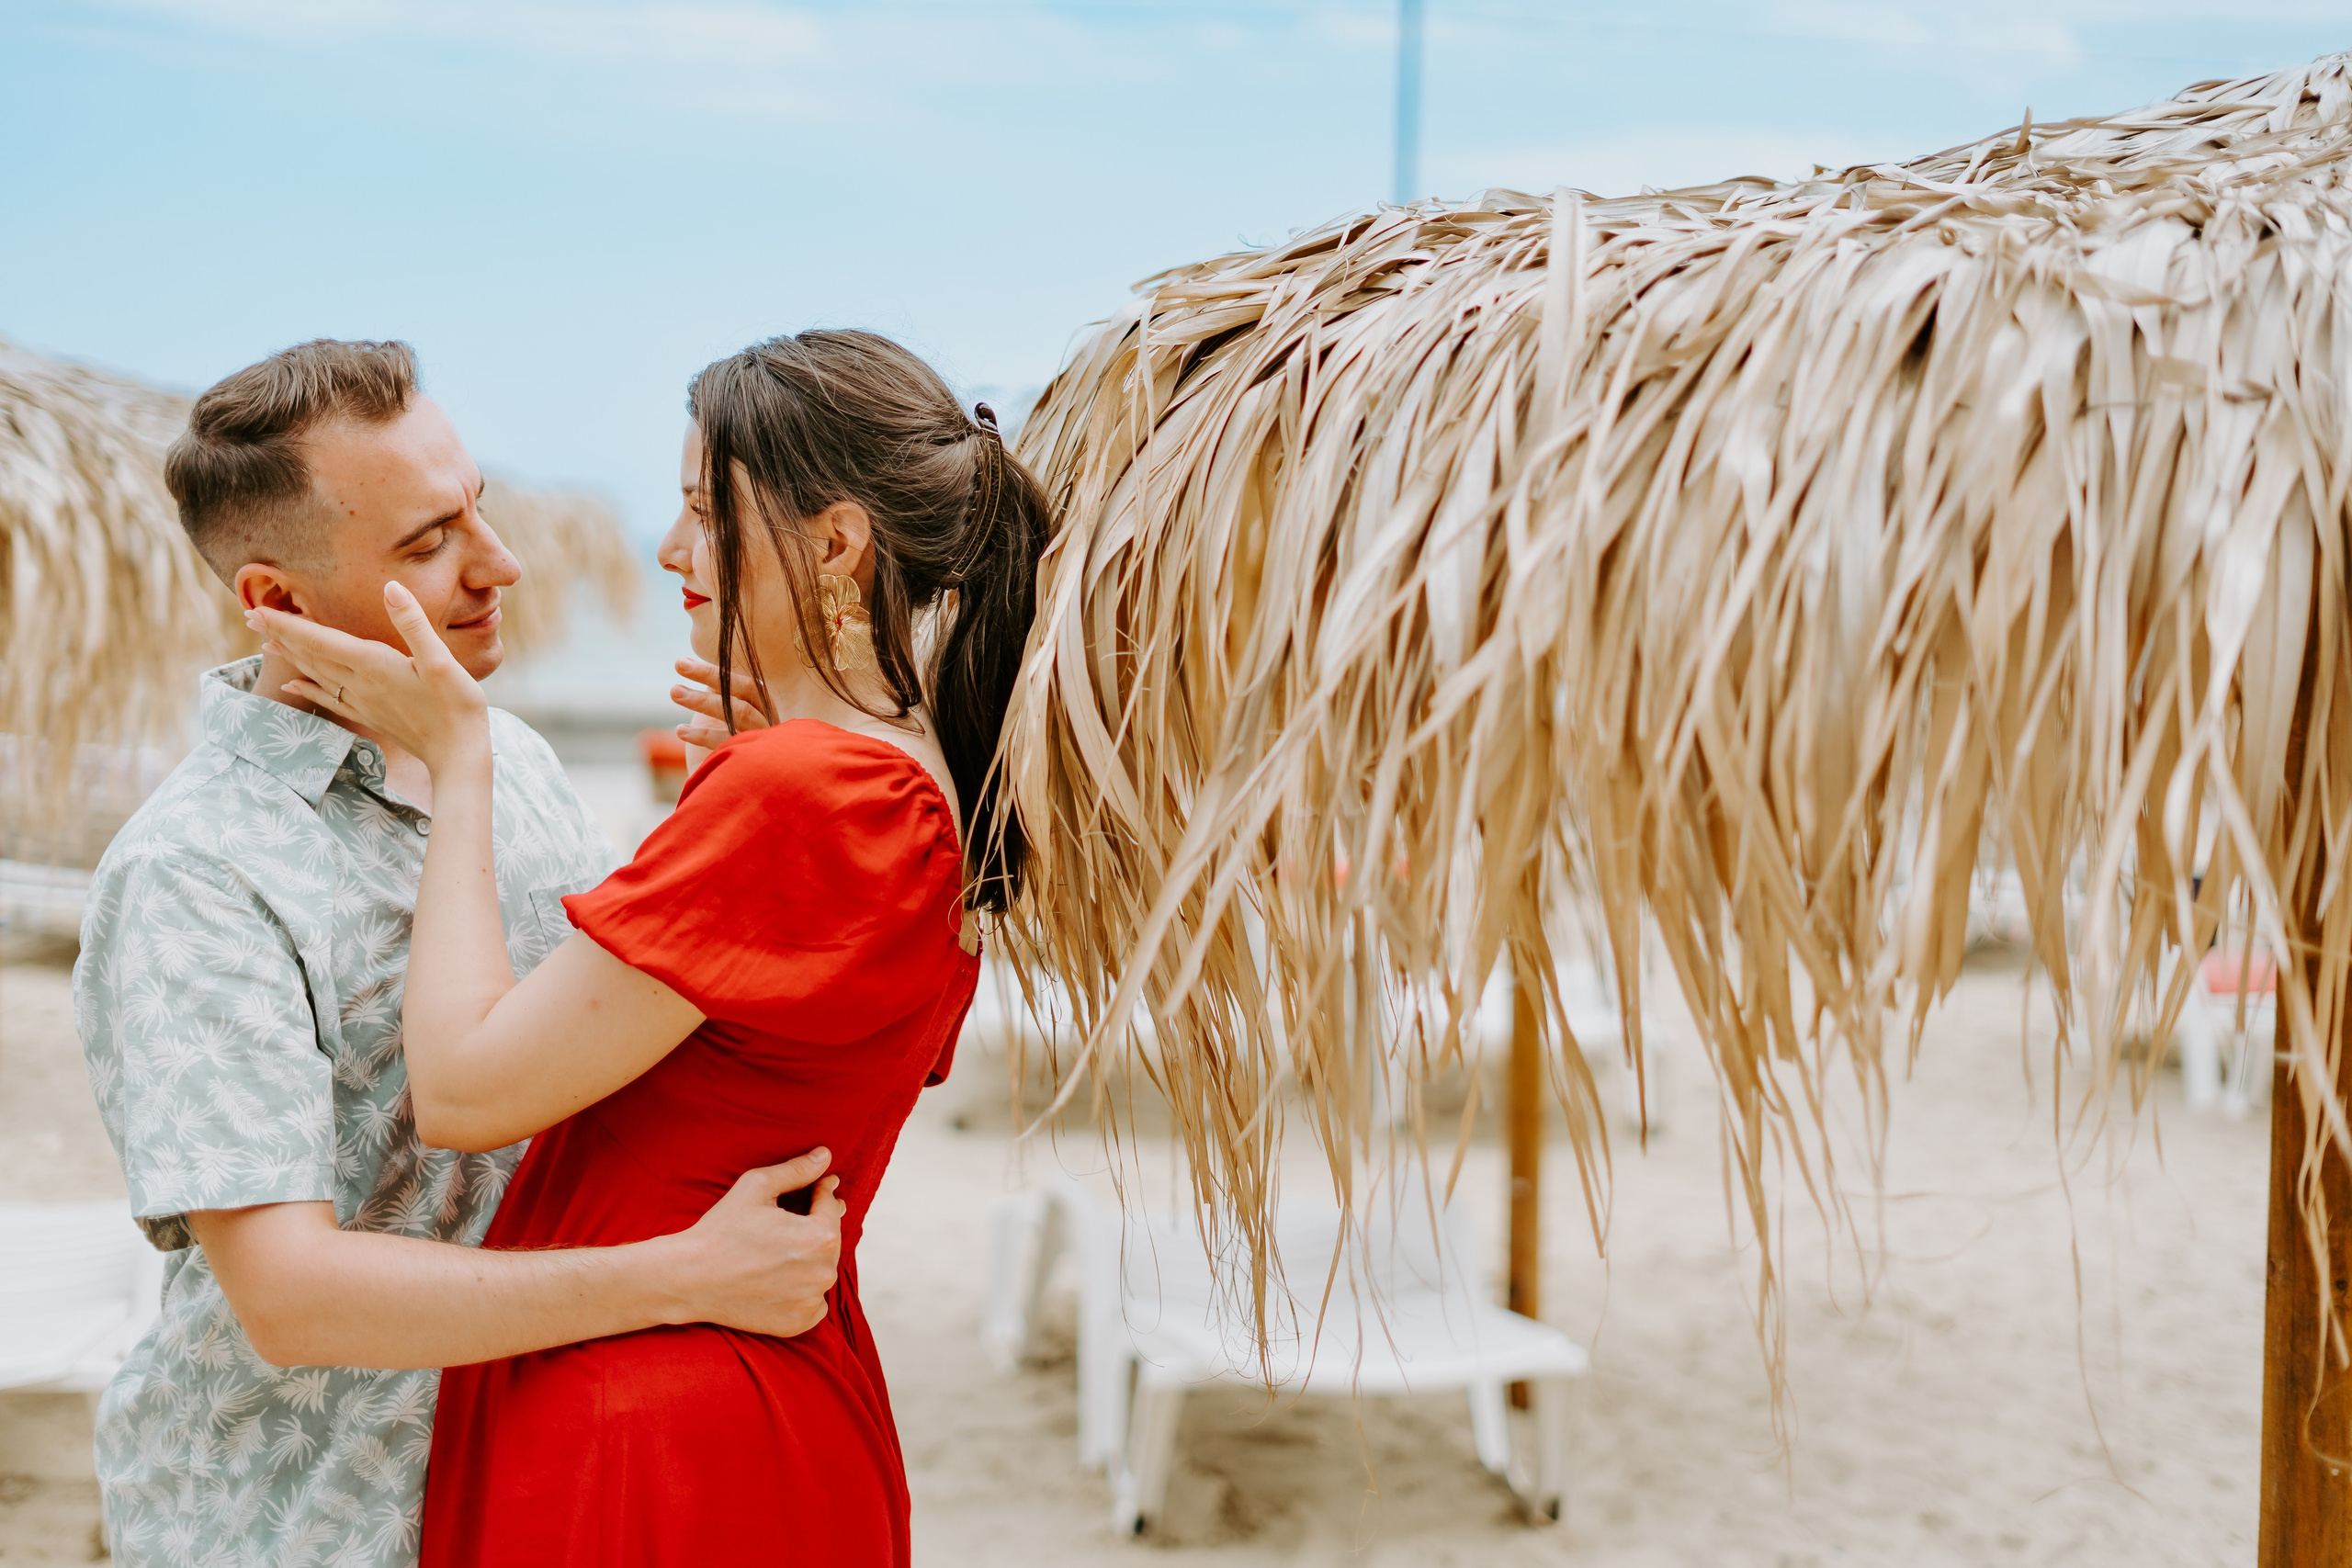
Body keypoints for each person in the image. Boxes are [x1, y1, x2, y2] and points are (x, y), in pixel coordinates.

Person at [254, 328, 1055, 1567]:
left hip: (657, 1420)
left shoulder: (808, 793)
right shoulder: (917, 781)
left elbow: (465, 1089)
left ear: (835, 543)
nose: (676, 552)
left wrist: (461, 758)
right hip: (755, 1385)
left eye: (700, 513)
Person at [75, 339, 846, 1568]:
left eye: (477, 506)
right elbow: (289, 1297)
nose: (502, 565)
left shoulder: (513, 760)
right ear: (277, 603)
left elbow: (611, 1057)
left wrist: (741, 810)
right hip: (309, 1523)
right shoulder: (198, 871)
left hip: (542, 1484)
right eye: (428, 544)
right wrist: (683, 1276)